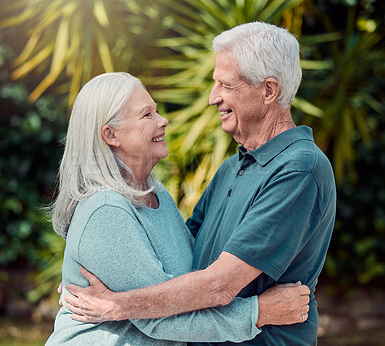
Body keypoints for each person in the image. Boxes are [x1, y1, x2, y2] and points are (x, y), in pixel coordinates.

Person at [63, 22, 336, 345]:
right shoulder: (232, 168)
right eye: (214, 83)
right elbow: (182, 259)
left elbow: (219, 285)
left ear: (268, 91)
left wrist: (118, 305)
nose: (212, 98)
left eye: (226, 85)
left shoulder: (298, 169)